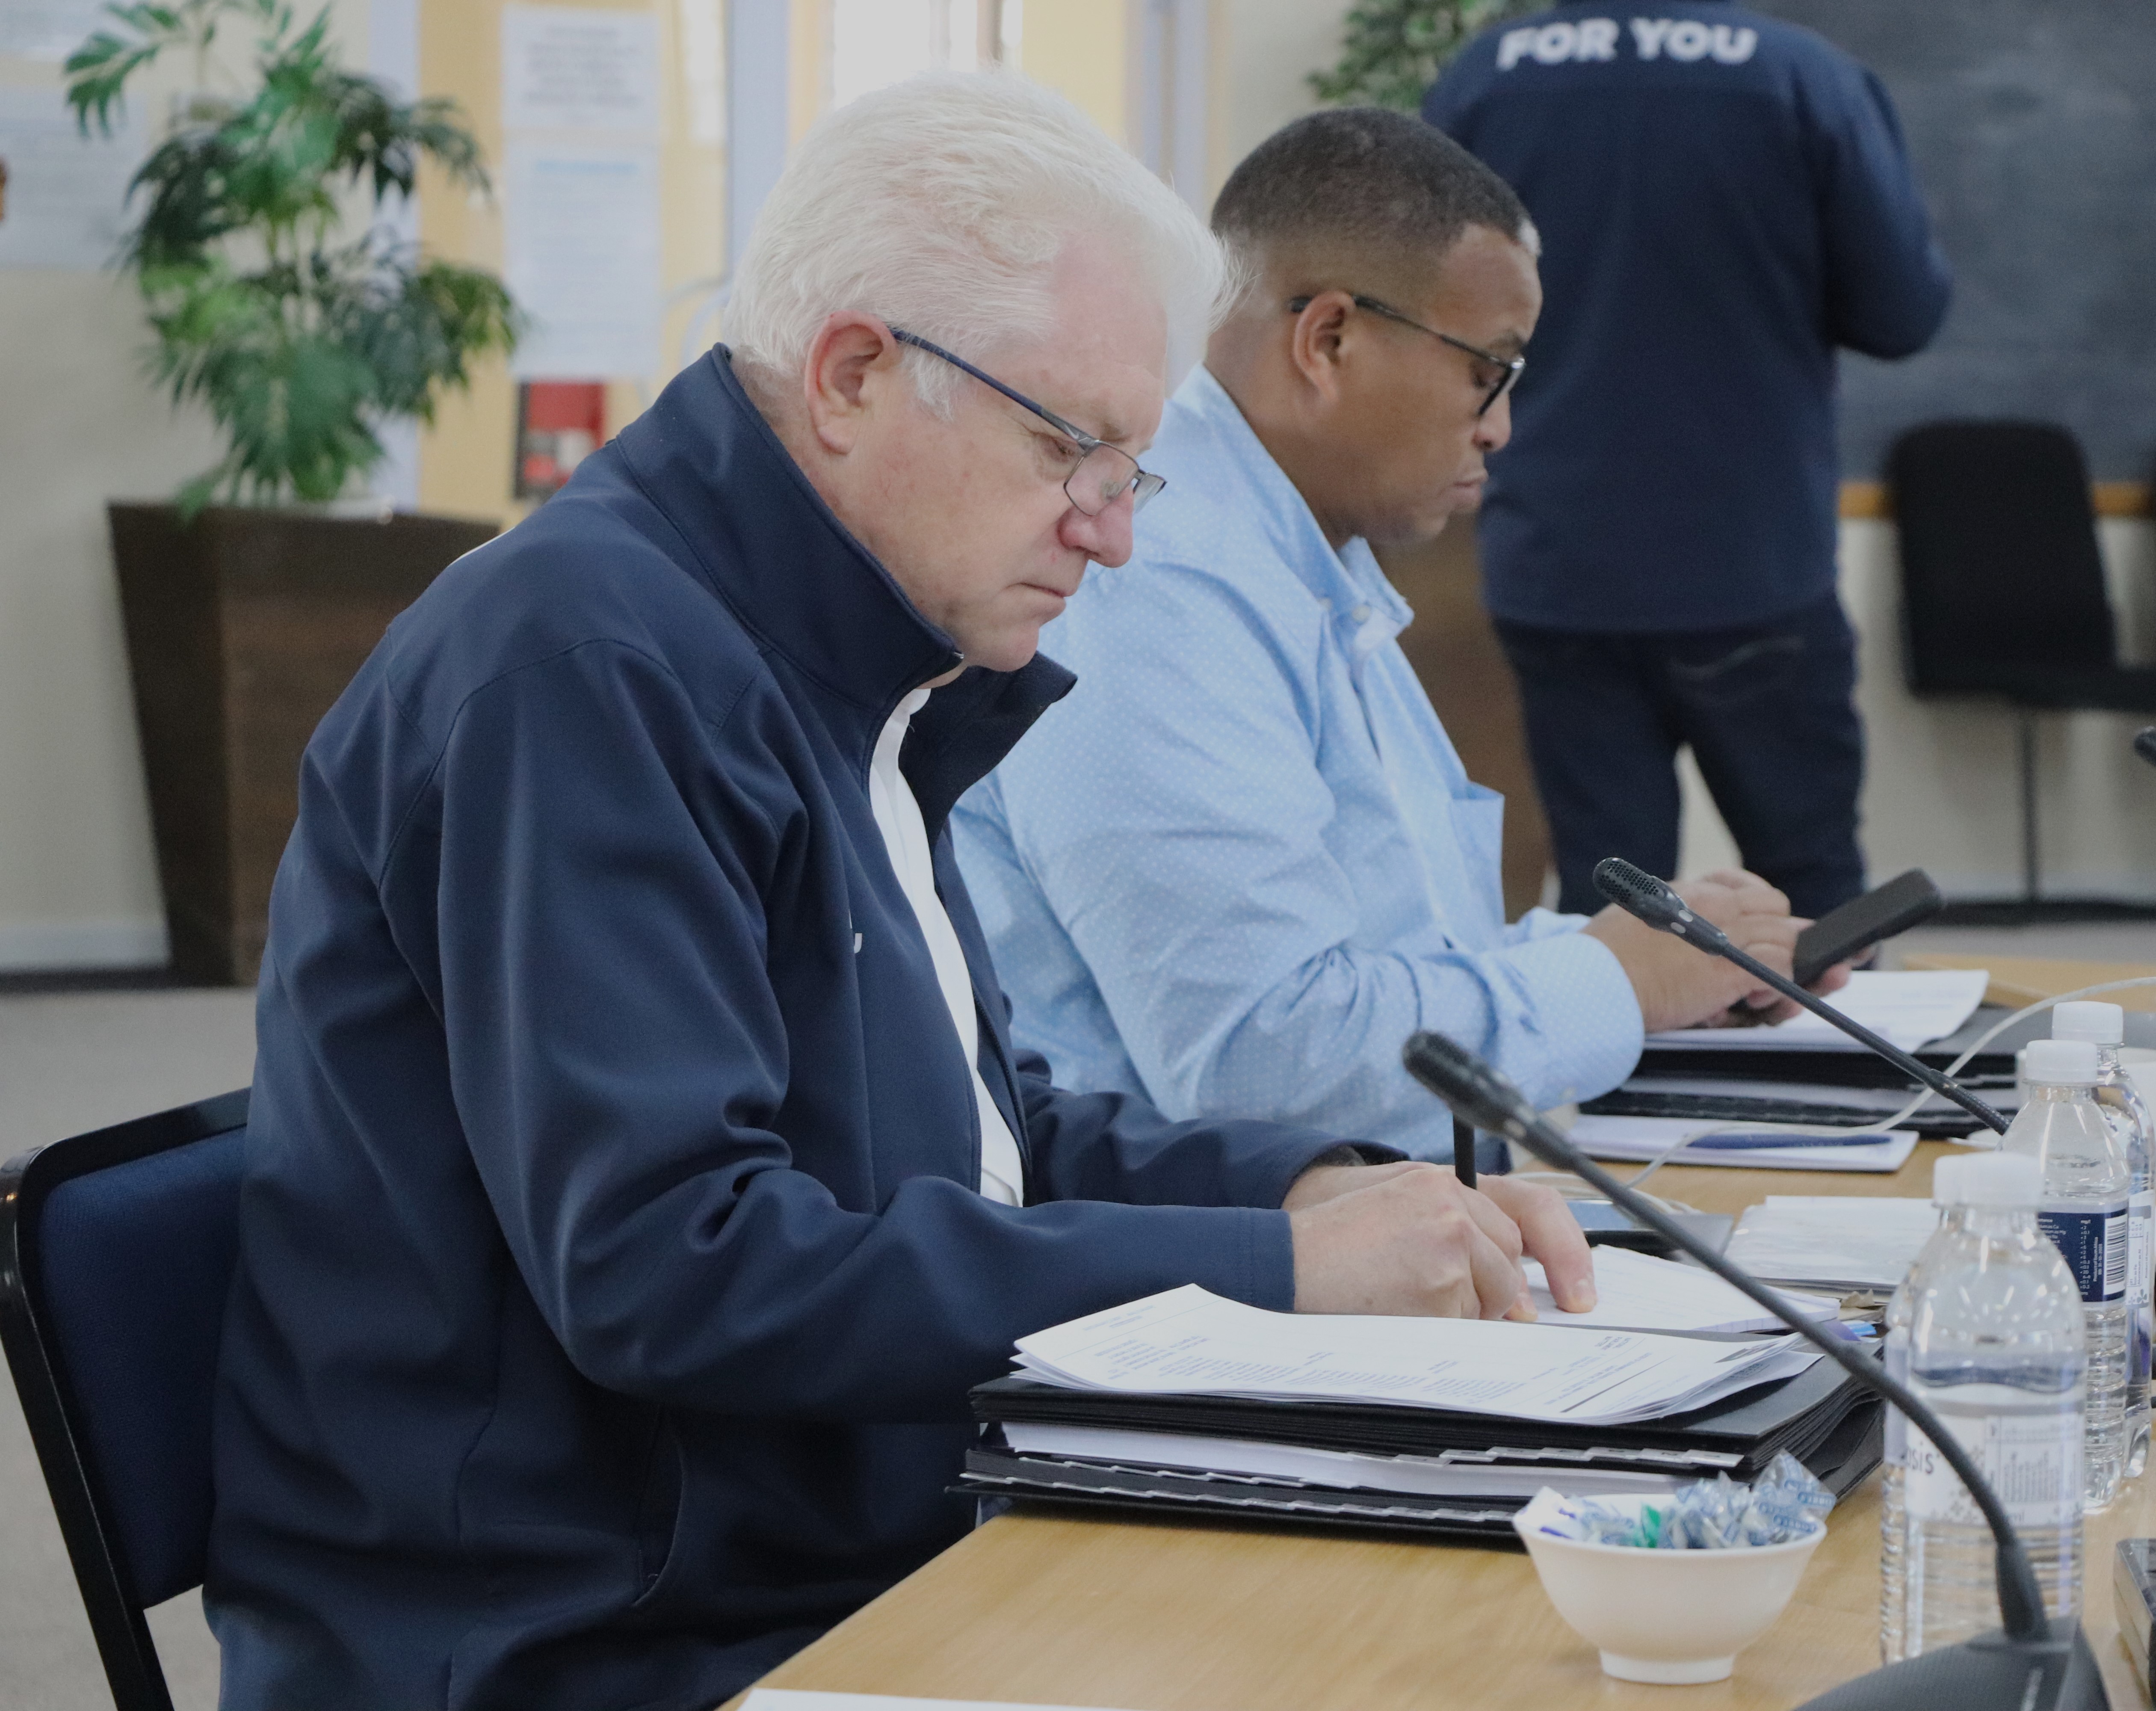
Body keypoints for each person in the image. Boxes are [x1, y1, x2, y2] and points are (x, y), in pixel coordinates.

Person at [204, 77, 1593, 1711]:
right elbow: (679, 1268)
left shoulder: (836, 651)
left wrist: (1298, 1190)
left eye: (1133, 466)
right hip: (591, 1632)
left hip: (815, 1537)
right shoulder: (585, 669)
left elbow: (968, 1138)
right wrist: (1268, 1273)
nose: (1112, 536)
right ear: (857, 374)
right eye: (1073, 445)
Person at [954, 108, 1841, 1163]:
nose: (1502, 425)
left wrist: (1671, 955)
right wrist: (1623, 980)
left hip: (1370, 1224)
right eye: (1489, 370)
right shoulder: (1159, 580)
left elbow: (1406, 953)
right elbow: (1257, 1058)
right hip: (1186, 1274)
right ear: (1329, 341)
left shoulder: (1308, 563)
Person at [1424, 1, 1951, 919]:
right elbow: (1902, 314)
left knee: (1613, 900)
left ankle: (1623, 1064)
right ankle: (1827, 1056)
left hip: (1557, 558)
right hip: (1753, 563)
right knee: (1816, 901)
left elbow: (1417, 309)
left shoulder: (1485, 79)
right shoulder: (1800, 77)